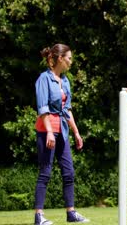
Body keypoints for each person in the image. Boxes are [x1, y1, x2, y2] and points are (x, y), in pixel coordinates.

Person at [34, 44, 89, 224]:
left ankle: (71, 213)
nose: (71, 62)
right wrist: (49, 132)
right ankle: (39, 216)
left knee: (69, 172)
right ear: (60, 58)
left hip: (62, 131)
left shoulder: (65, 81)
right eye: (69, 58)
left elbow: (67, 110)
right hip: (46, 130)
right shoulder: (44, 79)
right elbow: (43, 108)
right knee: (45, 172)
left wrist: (76, 132)